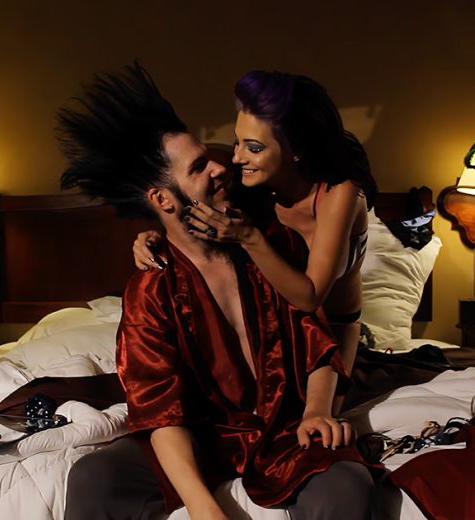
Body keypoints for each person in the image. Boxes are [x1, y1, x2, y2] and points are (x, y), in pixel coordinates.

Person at [58, 63, 374, 520]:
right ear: (162, 200)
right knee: (94, 476)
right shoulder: (152, 289)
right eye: (200, 166)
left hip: (288, 426)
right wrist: (204, 509)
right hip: (207, 435)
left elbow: (317, 332)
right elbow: (161, 412)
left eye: (216, 156)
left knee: (347, 484)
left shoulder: (273, 241)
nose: (226, 165)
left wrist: (317, 412)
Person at [134, 70, 377, 411]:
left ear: (296, 150)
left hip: (334, 335)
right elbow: (193, 210)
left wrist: (248, 237)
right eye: (238, 142)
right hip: (280, 335)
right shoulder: (255, 186)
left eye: (254, 147)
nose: (236, 158)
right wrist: (154, 236)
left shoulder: (340, 193)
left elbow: (309, 298)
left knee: (316, 426)